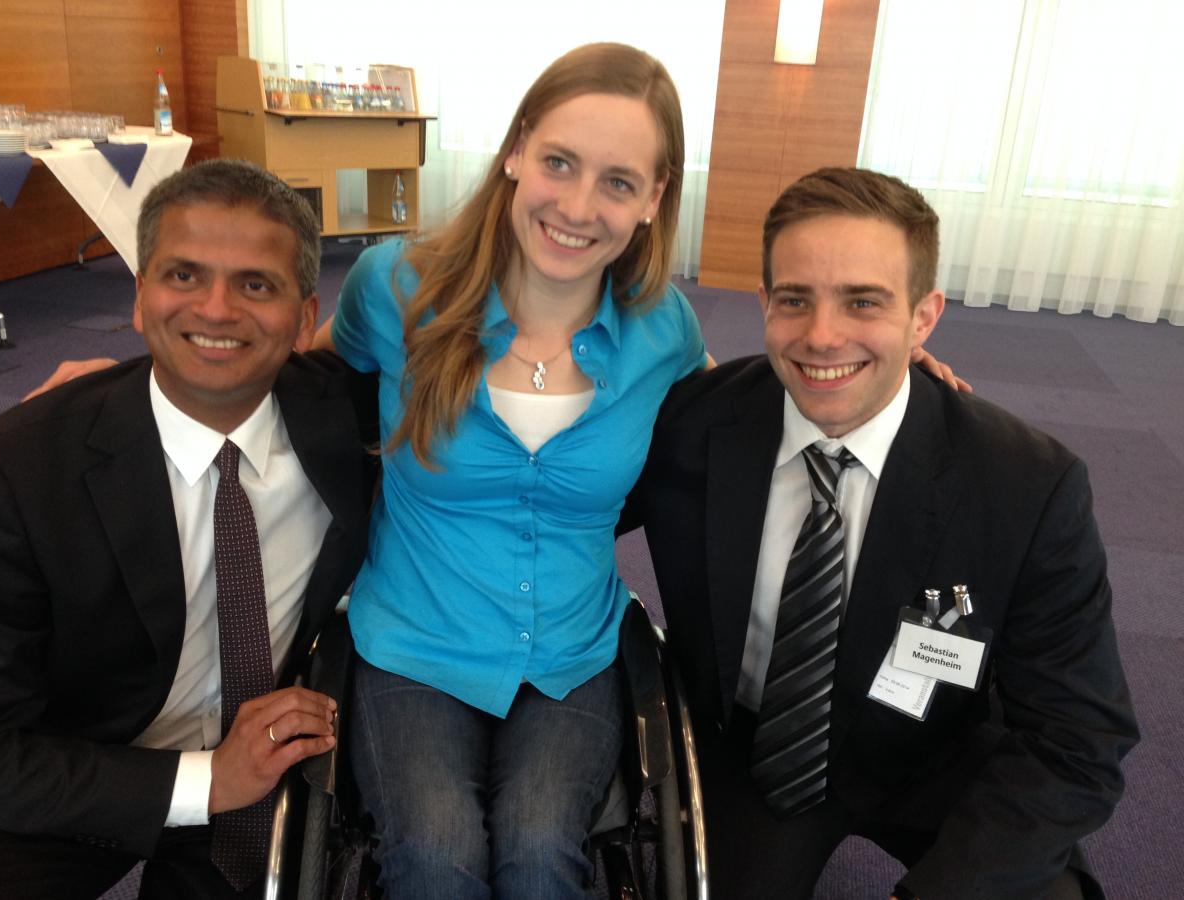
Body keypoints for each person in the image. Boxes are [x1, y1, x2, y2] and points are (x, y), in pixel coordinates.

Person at [623, 167, 1139, 899]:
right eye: (795, 300)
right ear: (764, 303)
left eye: (863, 302)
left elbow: (1079, 740)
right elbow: (547, 516)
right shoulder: (689, 425)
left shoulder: (1025, 483)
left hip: (935, 748)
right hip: (755, 753)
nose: (822, 336)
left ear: (924, 317)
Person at [307, 42, 707, 898]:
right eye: (559, 163)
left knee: (538, 853)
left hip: (573, 648)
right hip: (414, 639)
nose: (577, 205)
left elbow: (748, 413)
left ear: (654, 200)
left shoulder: (663, 329)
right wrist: (129, 383)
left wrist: (898, 376)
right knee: (435, 855)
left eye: (618, 181)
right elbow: (297, 384)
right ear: (517, 150)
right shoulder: (397, 288)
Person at [0, 159, 376, 899]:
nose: (217, 309)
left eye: (255, 284)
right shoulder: (21, 472)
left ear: (303, 318)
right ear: (138, 299)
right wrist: (206, 781)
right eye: (184, 276)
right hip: (72, 766)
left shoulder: (348, 421)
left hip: (268, 770)